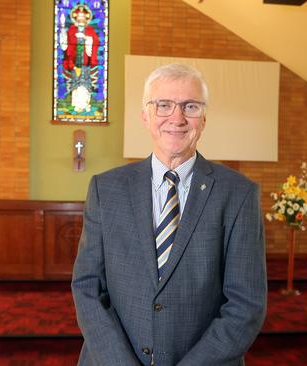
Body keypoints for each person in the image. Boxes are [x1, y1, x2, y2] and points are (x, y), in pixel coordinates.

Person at [72, 63, 267, 365]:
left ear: (203, 119)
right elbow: (87, 287)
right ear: (145, 116)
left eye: (190, 106)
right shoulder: (106, 189)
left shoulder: (239, 194)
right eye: (163, 105)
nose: (176, 118)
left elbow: (246, 305)